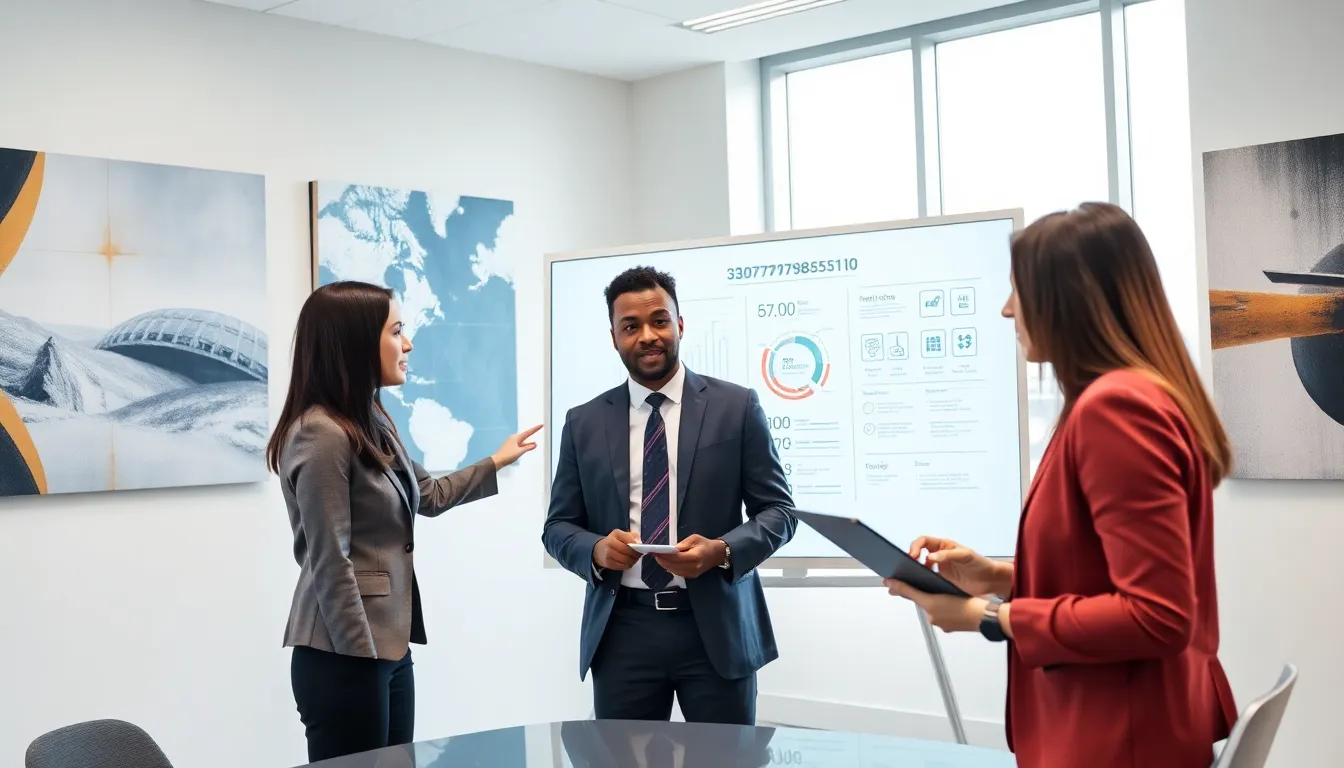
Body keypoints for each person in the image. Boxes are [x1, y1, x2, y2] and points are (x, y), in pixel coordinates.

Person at [884, 203, 1239, 768]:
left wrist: (988, 616)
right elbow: (1113, 572)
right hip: (1133, 724)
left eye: (1018, 293)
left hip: (1117, 740)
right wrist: (1000, 576)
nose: (1005, 311)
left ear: (1068, 300)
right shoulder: (1134, 396)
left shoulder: (1115, 408)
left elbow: (1158, 615)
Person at [267, 280, 542, 763]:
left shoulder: (371, 418)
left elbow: (428, 496)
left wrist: (496, 462)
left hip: (387, 650)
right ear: (354, 343)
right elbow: (332, 562)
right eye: (397, 331)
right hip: (344, 654)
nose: (408, 344)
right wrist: (362, 660)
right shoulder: (321, 433)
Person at [542, 266, 797, 725]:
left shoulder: (736, 407)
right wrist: (596, 550)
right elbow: (558, 527)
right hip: (624, 632)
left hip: (715, 628)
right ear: (614, 336)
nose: (647, 336)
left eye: (659, 320)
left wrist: (722, 551)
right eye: (631, 326)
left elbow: (780, 512)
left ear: (680, 324)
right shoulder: (583, 422)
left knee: (726, 764)